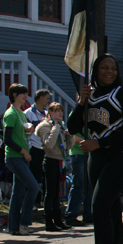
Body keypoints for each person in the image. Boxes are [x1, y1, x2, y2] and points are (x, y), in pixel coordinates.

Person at [67, 54, 123, 244]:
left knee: (98, 206)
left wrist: (99, 143)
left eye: (113, 68)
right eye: (104, 68)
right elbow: (72, 127)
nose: (109, 71)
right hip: (97, 158)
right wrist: (81, 102)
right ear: (95, 71)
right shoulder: (89, 96)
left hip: (121, 155)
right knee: (110, 210)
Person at [4, 84, 40, 236]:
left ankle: (13, 227)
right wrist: (23, 151)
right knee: (33, 187)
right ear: (14, 95)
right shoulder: (10, 114)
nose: (26, 97)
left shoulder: (21, 113)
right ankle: (24, 223)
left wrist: (29, 130)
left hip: (22, 157)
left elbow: (20, 133)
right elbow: (7, 139)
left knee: (18, 192)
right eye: (23, 94)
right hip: (15, 157)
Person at [36, 102, 74, 231]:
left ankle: (58, 220)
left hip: (60, 161)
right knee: (50, 192)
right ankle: (48, 221)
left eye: (61, 110)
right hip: (50, 161)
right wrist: (55, 129)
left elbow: (69, 146)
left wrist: (70, 136)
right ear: (50, 113)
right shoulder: (45, 126)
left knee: (58, 192)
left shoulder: (61, 125)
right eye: (57, 111)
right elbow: (48, 145)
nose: (60, 113)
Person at [25, 89, 52, 205]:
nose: (48, 101)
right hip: (34, 148)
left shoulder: (47, 114)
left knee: (45, 176)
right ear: (40, 98)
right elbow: (25, 132)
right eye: (47, 98)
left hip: (46, 148)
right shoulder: (28, 113)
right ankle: (33, 202)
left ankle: (43, 201)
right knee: (34, 175)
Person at [65, 130, 92, 226]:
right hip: (78, 153)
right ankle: (71, 216)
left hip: (89, 154)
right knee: (79, 185)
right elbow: (71, 135)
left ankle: (88, 215)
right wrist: (88, 143)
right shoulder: (76, 121)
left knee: (89, 186)